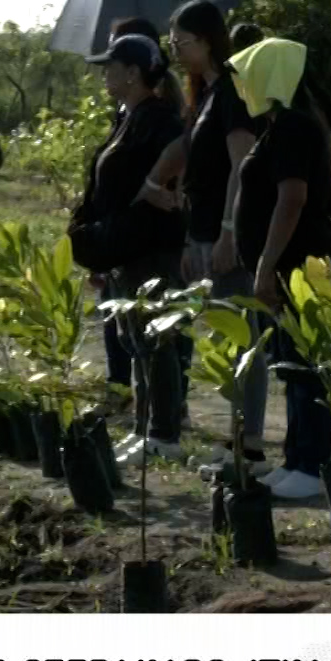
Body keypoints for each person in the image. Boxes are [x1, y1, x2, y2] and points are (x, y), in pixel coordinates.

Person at [225, 38, 331, 500]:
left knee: (305, 365)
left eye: (245, 74)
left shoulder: (294, 127)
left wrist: (266, 265)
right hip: (285, 268)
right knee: (291, 364)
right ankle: (296, 458)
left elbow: (292, 199)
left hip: (297, 267)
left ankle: (311, 464)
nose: (240, 85)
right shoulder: (280, 127)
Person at [153, 0, 268, 479]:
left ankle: (252, 445)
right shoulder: (205, 93)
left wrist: (227, 231)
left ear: (207, 41)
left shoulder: (234, 94)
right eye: (173, 43)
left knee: (244, 339)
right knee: (225, 339)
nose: (177, 51)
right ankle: (236, 437)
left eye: (182, 42)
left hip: (226, 236)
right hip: (200, 233)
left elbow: (242, 167)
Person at [80, 34, 189, 466]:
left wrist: (165, 192)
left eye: (111, 66)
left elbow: (184, 158)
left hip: (152, 247)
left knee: (156, 338)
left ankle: (164, 434)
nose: (104, 74)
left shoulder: (159, 118)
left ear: (133, 72)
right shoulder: (128, 116)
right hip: (125, 248)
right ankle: (146, 428)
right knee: (135, 342)